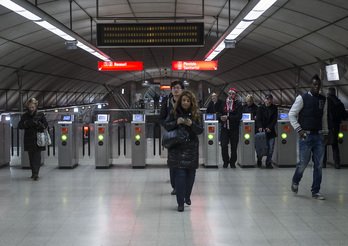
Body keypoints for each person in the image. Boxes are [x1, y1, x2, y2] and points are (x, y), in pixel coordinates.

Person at [289, 74, 328, 200]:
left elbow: (324, 117)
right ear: (310, 85)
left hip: (319, 136)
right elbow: (291, 114)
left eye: (318, 85)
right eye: (314, 84)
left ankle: (315, 191)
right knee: (303, 162)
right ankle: (295, 181)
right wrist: (299, 130)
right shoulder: (302, 98)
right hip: (306, 136)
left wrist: (326, 132)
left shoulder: (323, 100)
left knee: (318, 165)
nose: (316, 87)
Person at [163, 90, 203, 212]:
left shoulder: (196, 114)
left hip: (191, 149)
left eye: (188, 100)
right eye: (183, 100)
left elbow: (200, 130)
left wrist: (192, 125)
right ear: (180, 101)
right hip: (177, 148)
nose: (185, 103)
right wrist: (177, 122)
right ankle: (180, 202)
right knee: (180, 176)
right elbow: (167, 125)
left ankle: (187, 196)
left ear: (192, 102)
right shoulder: (174, 112)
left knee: (190, 177)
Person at [159, 81, 185, 195]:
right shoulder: (166, 103)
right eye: (174, 88)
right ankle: (175, 186)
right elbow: (161, 118)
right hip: (172, 136)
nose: (176, 90)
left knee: (185, 161)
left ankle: (183, 185)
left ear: (182, 90)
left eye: (178, 88)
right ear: (171, 90)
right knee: (173, 162)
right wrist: (169, 126)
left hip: (185, 136)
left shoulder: (186, 102)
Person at [18, 98, 48, 181]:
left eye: (33, 107)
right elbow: (20, 126)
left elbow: (45, 125)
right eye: (30, 107)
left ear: (35, 106)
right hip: (29, 138)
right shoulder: (25, 116)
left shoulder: (40, 115)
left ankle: (36, 172)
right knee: (31, 156)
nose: (31, 109)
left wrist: (39, 124)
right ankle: (33, 172)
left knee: (37, 156)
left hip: (38, 138)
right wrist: (25, 124)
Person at [323, 87, 348, 169]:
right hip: (336, 126)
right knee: (335, 144)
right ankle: (337, 163)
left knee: (324, 144)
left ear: (327, 94)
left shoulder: (325, 101)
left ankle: (323, 163)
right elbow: (344, 115)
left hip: (327, 126)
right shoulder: (340, 103)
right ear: (335, 93)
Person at [218, 88, 243, 168]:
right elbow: (219, 112)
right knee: (224, 145)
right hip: (225, 128)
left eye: (233, 94)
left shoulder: (238, 104)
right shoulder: (223, 103)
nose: (231, 96)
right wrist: (220, 117)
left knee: (234, 146)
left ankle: (232, 162)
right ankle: (225, 161)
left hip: (234, 128)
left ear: (235, 95)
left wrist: (228, 118)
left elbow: (238, 116)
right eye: (230, 94)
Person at [255, 94, 278, 168]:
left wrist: (270, 127)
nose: (269, 101)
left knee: (271, 147)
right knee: (261, 147)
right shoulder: (260, 108)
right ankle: (259, 158)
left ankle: (268, 162)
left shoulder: (274, 108)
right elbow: (258, 119)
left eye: (270, 99)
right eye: (268, 99)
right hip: (262, 131)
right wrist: (260, 127)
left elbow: (274, 119)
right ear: (265, 100)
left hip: (271, 131)